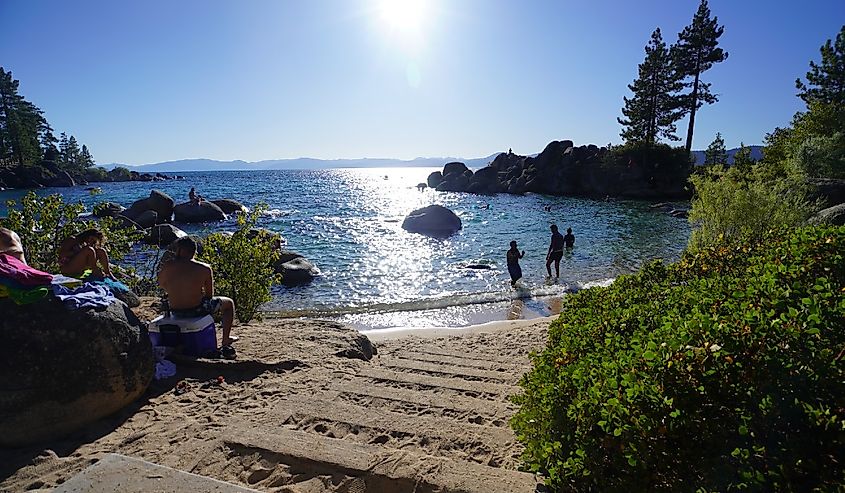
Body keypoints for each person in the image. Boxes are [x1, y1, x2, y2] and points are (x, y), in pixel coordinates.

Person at [157, 237, 237, 347]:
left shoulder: (167, 266)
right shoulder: (204, 268)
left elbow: (161, 284)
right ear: (194, 251)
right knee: (229, 303)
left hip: (175, 310)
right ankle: (226, 339)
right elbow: (209, 295)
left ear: (179, 250)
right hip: (196, 310)